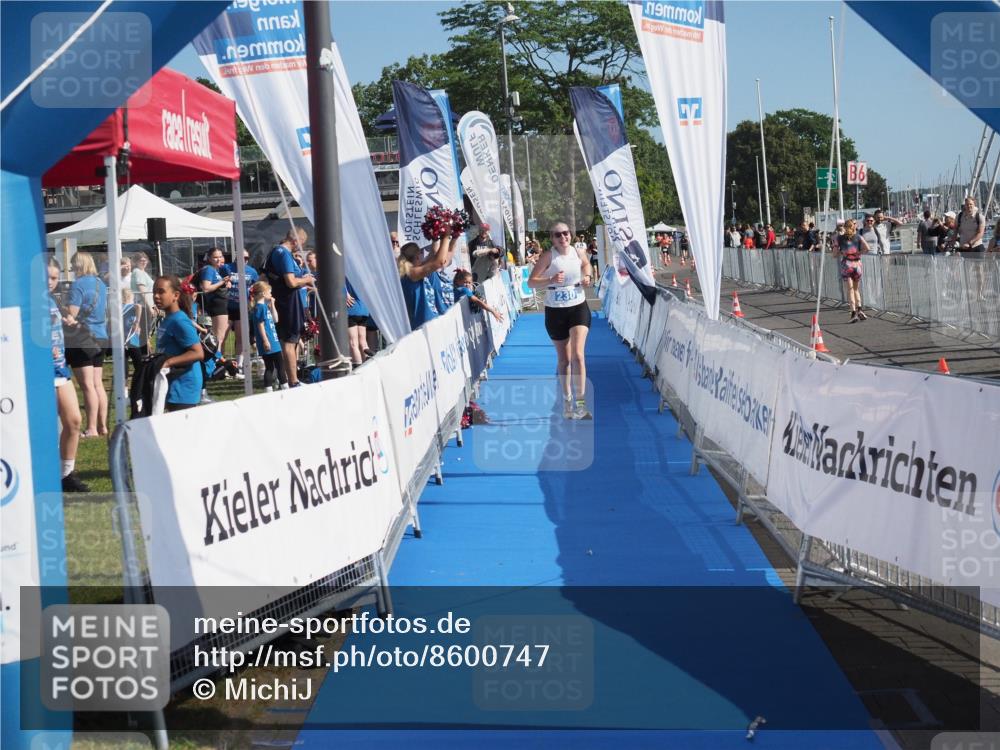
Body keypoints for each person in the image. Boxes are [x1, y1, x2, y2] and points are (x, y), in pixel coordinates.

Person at [527, 221, 593, 420]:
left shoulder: (578, 252)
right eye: (558, 235)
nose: (563, 237)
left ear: (570, 235)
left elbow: (587, 264)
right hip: (555, 310)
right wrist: (550, 280)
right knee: (564, 361)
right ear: (552, 239)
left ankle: (581, 404)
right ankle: (567, 401)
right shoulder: (548, 256)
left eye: (565, 233)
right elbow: (531, 282)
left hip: (578, 306)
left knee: (578, 356)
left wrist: (588, 276)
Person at [47, 259, 88, 492]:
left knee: (74, 422)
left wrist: (67, 323)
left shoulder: (52, 300)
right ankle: (44, 475)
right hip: (39, 373)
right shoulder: (27, 301)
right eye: (47, 277)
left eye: (55, 277)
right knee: (45, 428)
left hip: (60, 368)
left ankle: (66, 475)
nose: (51, 282)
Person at [263, 228, 314, 387]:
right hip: (287, 302)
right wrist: (306, 280)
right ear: (295, 240)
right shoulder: (283, 253)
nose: (300, 248)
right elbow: (291, 282)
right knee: (290, 341)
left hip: (283, 301)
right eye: (301, 244)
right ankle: (293, 381)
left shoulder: (275, 252)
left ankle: (286, 380)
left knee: (289, 340)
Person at [66, 251, 109, 437]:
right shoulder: (101, 284)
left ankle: (91, 428)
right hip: (101, 335)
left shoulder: (78, 285)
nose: (72, 269)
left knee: (87, 386)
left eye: (73, 265)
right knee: (98, 384)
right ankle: (102, 426)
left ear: (79, 265)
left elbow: (71, 316)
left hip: (82, 338)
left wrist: (62, 313)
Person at [152, 275, 204, 412]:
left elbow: (198, 353)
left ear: (175, 295)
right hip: (172, 384)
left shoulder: (180, 321)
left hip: (184, 387)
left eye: (161, 292)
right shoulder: (167, 319)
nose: (156, 296)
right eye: (154, 292)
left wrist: (167, 363)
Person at [398, 233, 460, 329]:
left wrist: (452, 235)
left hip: (432, 322)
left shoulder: (418, 269)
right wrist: (446, 235)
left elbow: (435, 255)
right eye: (421, 253)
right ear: (418, 256)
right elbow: (438, 261)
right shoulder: (411, 273)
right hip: (423, 326)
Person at [223, 248, 259, 378]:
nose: (244, 260)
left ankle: (238, 367)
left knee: (241, 338)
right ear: (236, 257)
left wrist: (253, 300)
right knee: (222, 338)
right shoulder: (227, 268)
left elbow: (256, 287)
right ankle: (221, 366)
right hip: (226, 307)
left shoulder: (252, 272)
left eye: (247, 258)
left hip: (241, 308)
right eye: (242, 258)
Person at [250, 281, 287, 391]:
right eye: (269, 292)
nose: (271, 294)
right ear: (262, 293)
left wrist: (272, 305)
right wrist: (265, 340)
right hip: (269, 341)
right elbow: (260, 325)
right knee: (277, 366)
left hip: (273, 340)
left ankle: (270, 389)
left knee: (272, 366)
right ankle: (284, 387)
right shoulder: (260, 307)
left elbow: (276, 320)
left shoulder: (265, 306)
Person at [834, 218, 872, 323]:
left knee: (850, 290)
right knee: (856, 289)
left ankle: (853, 313)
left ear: (845, 228)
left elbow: (834, 254)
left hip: (847, 264)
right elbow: (868, 248)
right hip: (857, 265)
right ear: (853, 227)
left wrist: (841, 253)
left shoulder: (839, 238)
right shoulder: (858, 237)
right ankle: (860, 309)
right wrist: (858, 252)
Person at [198, 247, 231, 350]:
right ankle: (216, 361)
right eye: (215, 257)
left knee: (221, 337)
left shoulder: (217, 270)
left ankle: (219, 360)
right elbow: (206, 288)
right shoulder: (209, 269)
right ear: (209, 259)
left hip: (221, 305)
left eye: (220, 256)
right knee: (219, 337)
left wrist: (224, 283)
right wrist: (222, 282)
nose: (219, 259)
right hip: (217, 306)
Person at [345, 279, 371, 366]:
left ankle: (358, 368)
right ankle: (368, 365)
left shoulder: (344, 274)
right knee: (363, 342)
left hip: (351, 309)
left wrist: (346, 294)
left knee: (353, 343)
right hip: (364, 310)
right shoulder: (360, 273)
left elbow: (340, 286)